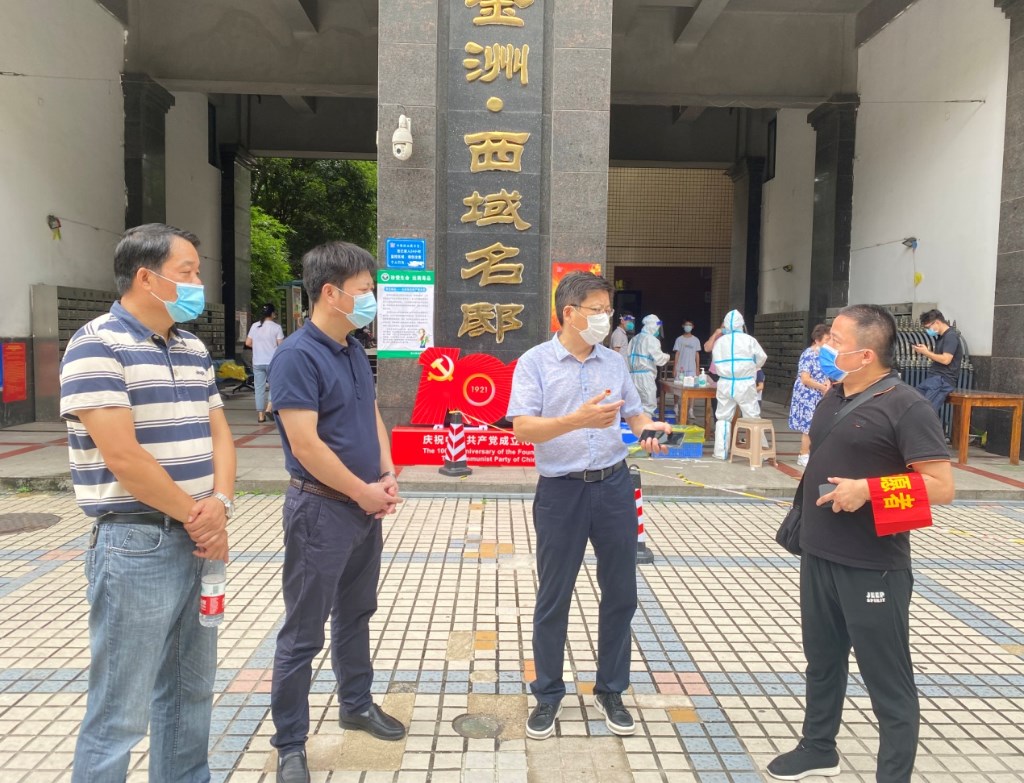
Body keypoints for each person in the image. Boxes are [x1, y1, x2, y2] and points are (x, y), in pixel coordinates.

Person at [59, 223, 235, 783]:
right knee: (120, 709)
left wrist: (221, 503)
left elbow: (220, 434)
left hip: (201, 538)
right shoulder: (96, 345)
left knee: (190, 691)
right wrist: (200, 517)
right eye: (187, 272)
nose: (198, 283)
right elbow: (124, 457)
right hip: (137, 543)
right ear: (146, 278)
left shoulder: (193, 348)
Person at [767, 304, 954, 783]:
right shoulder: (833, 395)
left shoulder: (906, 405)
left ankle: (893, 774)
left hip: (873, 565)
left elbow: (941, 487)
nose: (825, 347)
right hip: (818, 553)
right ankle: (818, 747)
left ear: (866, 354)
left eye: (835, 341)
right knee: (822, 660)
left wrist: (868, 491)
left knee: (886, 676)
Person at [507, 271, 671, 741]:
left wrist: (647, 430)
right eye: (597, 310)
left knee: (621, 592)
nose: (606, 318)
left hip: (613, 485)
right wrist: (576, 420)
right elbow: (522, 428)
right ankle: (548, 694)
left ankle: (611, 689)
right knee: (554, 596)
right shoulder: (535, 362)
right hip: (561, 491)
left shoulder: (613, 362)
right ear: (569, 313)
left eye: (608, 309)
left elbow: (633, 411)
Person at [268, 241, 405, 783]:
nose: (372, 299)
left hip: (362, 509)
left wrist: (386, 472)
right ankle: (290, 744)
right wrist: (360, 491)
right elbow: (306, 445)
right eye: (365, 290)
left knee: (356, 614)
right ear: (331, 292)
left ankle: (356, 704)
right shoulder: (297, 355)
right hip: (320, 511)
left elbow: (370, 413)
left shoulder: (352, 349)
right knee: (304, 631)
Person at [710, 310, 767, 459]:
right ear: (741, 323)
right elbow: (762, 358)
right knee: (752, 416)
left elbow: (715, 361)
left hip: (725, 382)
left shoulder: (720, 342)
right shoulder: (749, 340)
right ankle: (759, 452)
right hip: (745, 382)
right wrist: (752, 366)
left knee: (723, 418)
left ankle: (720, 452)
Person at [788, 324, 831, 467]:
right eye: (827, 339)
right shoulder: (809, 354)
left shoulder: (826, 355)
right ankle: (803, 454)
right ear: (817, 340)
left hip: (820, 391)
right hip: (808, 393)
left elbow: (827, 373)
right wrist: (822, 387)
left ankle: (813, 453)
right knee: (809, 426)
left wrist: (827, 383)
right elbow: (805, 379)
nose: (830, 342)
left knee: (819, 424)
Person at [911, 309, 963, 416]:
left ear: (937, 322)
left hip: (942, 380)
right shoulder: (941, 337)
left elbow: (946, 360)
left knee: (925, 412)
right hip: (934, 378)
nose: (928, 330)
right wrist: (925, 351)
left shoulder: (951, 336)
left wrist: (926, 352)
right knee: (913, 404)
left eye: (928, 327)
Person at [246, 302, 285, 423]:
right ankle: (269, 408)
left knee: (259, 388)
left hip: (258, 361)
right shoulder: (276, 327)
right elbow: (281, 346)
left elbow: (248, 343)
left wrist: (258, 347)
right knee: (275, 385)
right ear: (272, 314)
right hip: (272, 362)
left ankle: (260, 416)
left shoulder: (254, 326)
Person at [627, 314, 671, 417]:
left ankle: (635, 426)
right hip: (645, 377)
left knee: (634, 406)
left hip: (632, 376)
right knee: (648, 406)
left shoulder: (634, 338)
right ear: (653, 326)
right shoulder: (651, 340)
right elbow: (659, 359)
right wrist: (667, 356)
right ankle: (645, 426)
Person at [673, 320, 701, 421]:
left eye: (690, 325)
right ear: (683, 326)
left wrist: (697, 367)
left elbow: (697, 354)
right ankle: (676, 406)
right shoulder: (679, 339)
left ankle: (691, 410)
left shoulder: (696, 340)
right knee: (677, 388)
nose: (688, 326)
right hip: (681, 367)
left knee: (692, 389)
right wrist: (674, 367)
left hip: (691, 368)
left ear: (693, 326)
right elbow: (677, 353)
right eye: (686, 325)